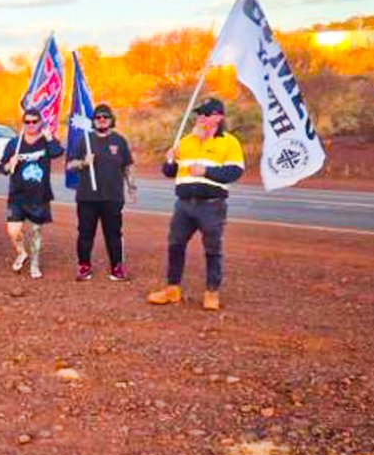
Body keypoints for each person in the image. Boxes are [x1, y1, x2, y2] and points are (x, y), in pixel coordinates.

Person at [148, 97, 245, 311]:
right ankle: (172, 289)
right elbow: (169, 173)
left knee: (212, 249)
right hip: (184, 205)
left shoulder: (229, 142)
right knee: (175, 245)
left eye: (205, 114)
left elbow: (235, 171)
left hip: (212, 206)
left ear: (218, 117)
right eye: (199, 114)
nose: (200, 118)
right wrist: (170, 160)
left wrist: (207, 171)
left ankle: (212, 291)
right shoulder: (186, 141)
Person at [67, 103, 136, 282]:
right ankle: (84, 267)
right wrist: (83, 162)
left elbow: (128, 166)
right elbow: (70, 165)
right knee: (85, 234)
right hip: (87, 197)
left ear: (111, 120)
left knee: (113, 234)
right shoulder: (85, 140)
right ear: (93, 121)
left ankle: (117, 268)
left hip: (112, 197)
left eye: (105, 117)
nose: (102, 120)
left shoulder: (119, 141)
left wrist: (132, 188)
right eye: (98, 117)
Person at [0, 107, 63, 278]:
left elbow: (58, 153)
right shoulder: (14, 143)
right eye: (27, 122)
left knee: (36, 231)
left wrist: (49, 137)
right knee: (13, 231)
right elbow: (3, 168)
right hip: (17, 194)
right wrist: (10, 163)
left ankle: (35, 264)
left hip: (39, 195)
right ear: (23, 123)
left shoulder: (46, 141)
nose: (31, 125)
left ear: (40, 122)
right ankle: (21, 252)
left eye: (35, 121)